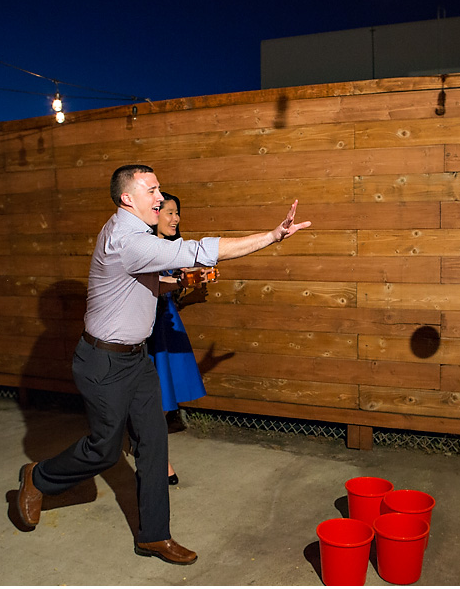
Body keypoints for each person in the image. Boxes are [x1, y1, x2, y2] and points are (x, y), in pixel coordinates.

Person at [16, 164, 310, 565]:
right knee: (104, 451)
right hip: (103, 361)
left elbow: (146, 282)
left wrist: (184, 281)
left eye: (158, 189)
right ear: (127, 198)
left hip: (136, 361)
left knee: (153, 444)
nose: (160, 197)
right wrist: (272, 236)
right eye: (152, 191)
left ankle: (154, 535)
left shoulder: (133, 233)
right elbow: (199, 249)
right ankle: (39, 477)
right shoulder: (128, 240)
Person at [149, 191, 206, 486]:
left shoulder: (172, 248)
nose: (175, 218)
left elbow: (171, 292)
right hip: (148, 328)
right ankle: (156, 459)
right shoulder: (146, 247)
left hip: (167, 323)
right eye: (169, 212)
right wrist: (182, 280)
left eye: (177, 213)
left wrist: (192, 285)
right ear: (154, 214)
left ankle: (150, 452)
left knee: (165, 398)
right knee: (156, 397)